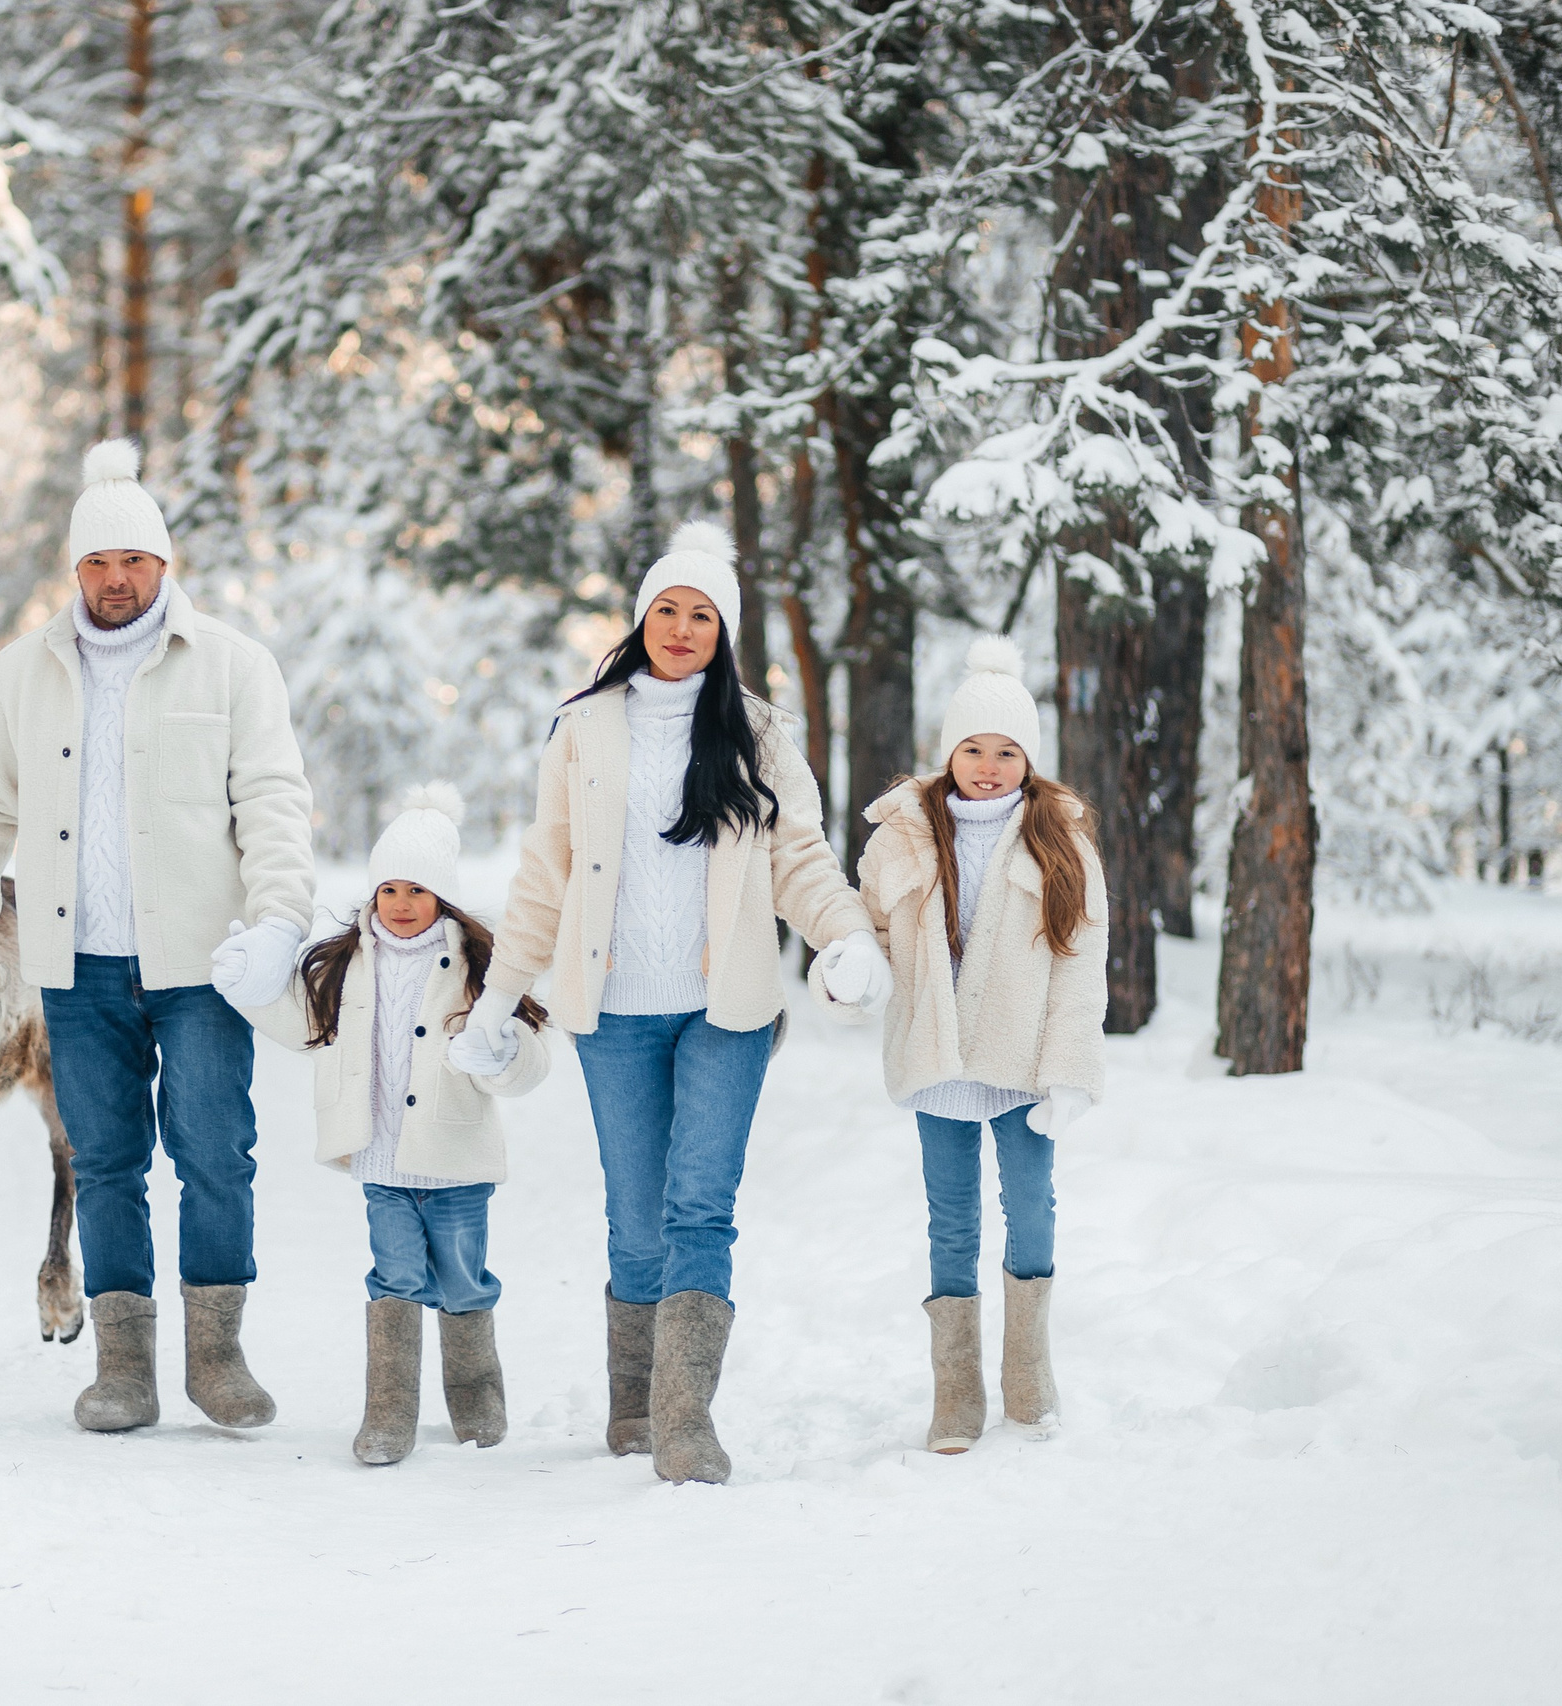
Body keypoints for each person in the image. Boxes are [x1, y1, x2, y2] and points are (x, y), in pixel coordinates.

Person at [468, 520, 893, 1485]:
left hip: (725, 1011)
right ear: (641, 617)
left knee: (700, 1207)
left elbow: (799, 858)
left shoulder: (760, 732)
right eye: (669, 608)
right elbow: (547, 873)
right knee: (634, 1215)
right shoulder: (582, 727)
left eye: (704, 614)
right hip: (611, 1010)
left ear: (724, 632)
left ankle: (683, 1417)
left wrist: (848, 936)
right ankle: (633, 1400)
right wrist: (500, 998)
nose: (683, 626)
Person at [0, 439, 315, 1433]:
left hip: (199, 967)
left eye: (132, 560)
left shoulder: (232, 664)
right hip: (77, 964)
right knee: (102, 1161)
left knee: (216, 1154)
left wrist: (278, 920)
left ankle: (217, 1358)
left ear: (164, 563)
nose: (114, 579)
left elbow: (273, 801)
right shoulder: (27, 670)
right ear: (75, 570)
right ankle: (123, 1367)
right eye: (96, 562)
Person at [820, 635, 1104, 1453]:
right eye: (973, 748)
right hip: (936, 1059)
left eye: (1007, 751)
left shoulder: (1063, 846)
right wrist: (846, 971)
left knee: (1032, 1209)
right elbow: (865, 932)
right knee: (951, 1219)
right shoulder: (899, 839)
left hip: (1023, 1064)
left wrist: (1071, 1074)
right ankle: (955, 1391)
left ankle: (1027, 1371)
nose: (988, 764)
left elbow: (1082, 968)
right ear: (949, 752)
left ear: (1029, 759)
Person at [219, 784, 549, 1466]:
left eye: (417, 891)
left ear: (444, 899)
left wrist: (501, 1053)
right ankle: (390, 1413)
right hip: (381, 1161)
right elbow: (304, 1028)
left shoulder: (481, 968)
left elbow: (529, 1058)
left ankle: (476, 1397)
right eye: (389, 889)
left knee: (462, 1280)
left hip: (455, 1163)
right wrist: (247, 990)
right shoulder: (345, 965)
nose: (401, 904)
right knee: (394, 1279)